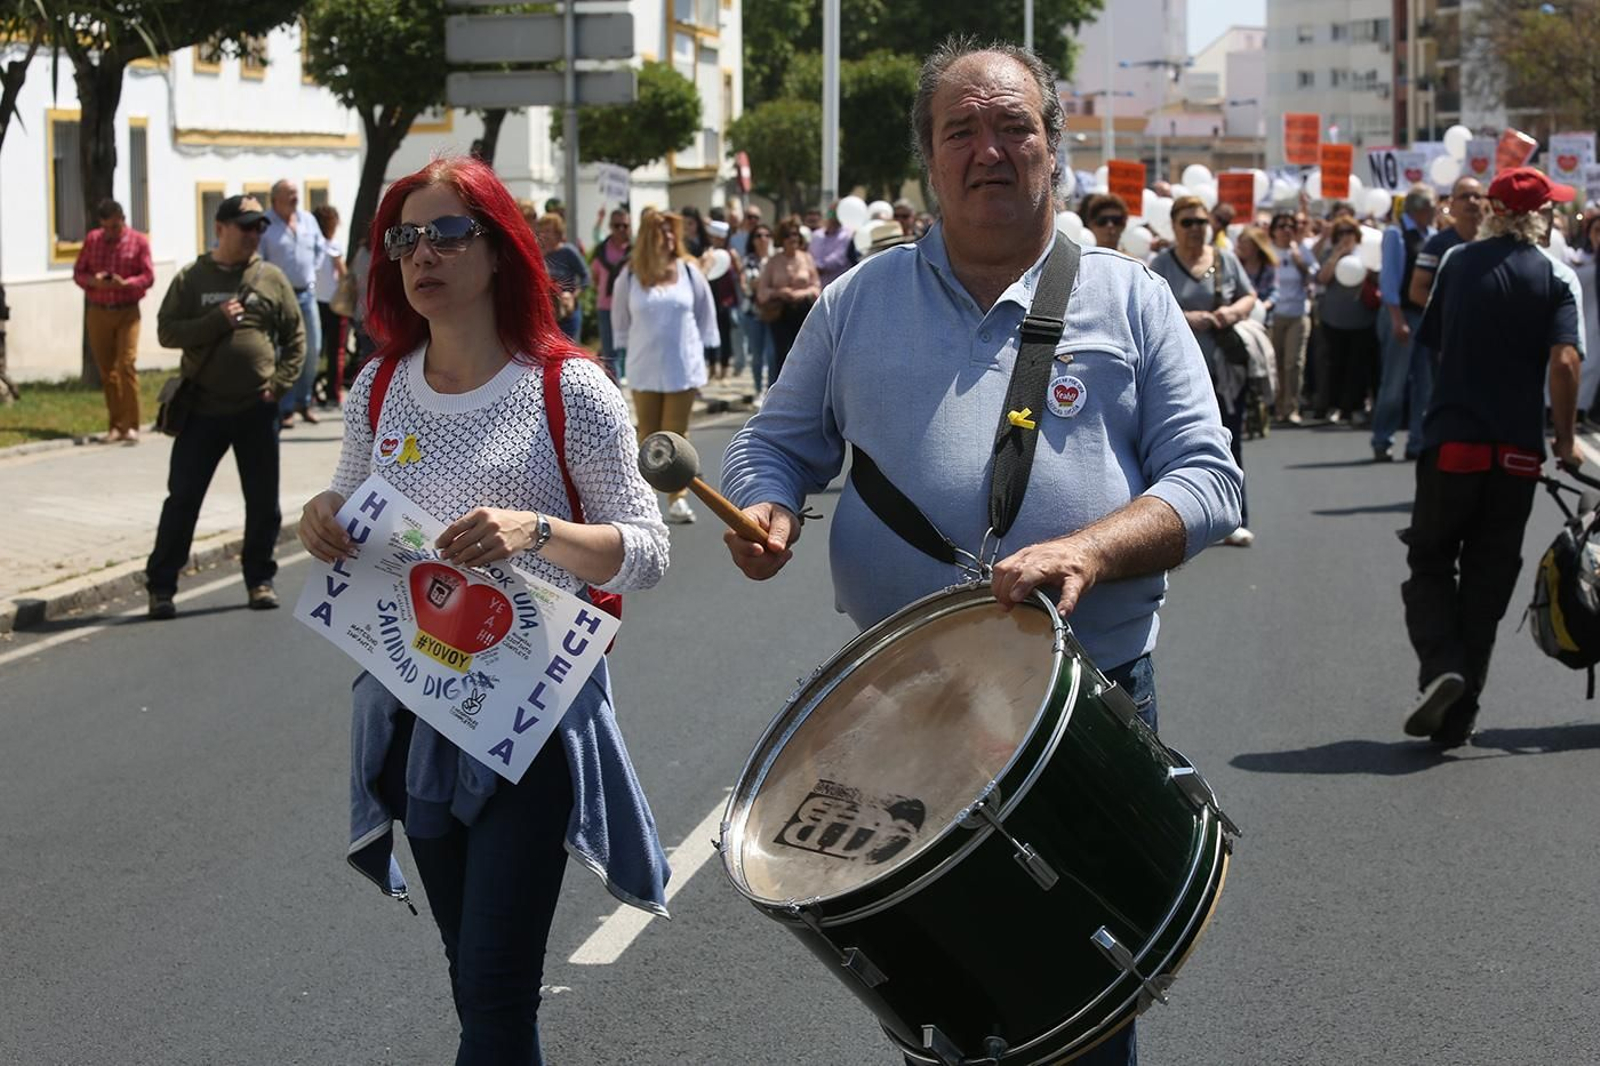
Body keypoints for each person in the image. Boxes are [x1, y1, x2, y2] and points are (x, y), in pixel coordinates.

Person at [720, 42, 1241, 1066]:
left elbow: (1209, 481)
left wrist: (1091, 547)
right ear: (929, 157)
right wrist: (764, 504)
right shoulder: (857, 301)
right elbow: (773, 442)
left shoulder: (1131, 299)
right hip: (903, 709)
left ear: (1053, 148)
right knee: (947, 1006)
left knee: (1083, 1002)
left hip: (1082, 703)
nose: (989, 150)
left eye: (1013, 127)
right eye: (961, 129)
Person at [297, 156, 670, 1066]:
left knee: (497, 996)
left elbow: (649, 549)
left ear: (501, 250)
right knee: (476, 989)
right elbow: (347, 507)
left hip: (529, 727)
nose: (423, 254)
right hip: (411, 720)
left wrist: (534, 530)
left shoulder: (567, 387)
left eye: (449, 233)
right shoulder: (378, 387)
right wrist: (319, 519)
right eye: (405, 237)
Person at [1400, 167, 1582, 747]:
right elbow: (1565, 362)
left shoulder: (1457, 263)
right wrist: (1564, 438)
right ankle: (1459, 712)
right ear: (1536, 216)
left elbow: (1437, 344)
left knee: (1430, 560)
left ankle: (1442, 668)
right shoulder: (1557, 273)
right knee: (1488, 578)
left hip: (1453, 441)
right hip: (1518, 453)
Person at [145, 194, 304, 618]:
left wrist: (281, 384)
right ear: (220, 228)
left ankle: (260, 580)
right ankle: (161, 586)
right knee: (183, 499)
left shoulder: (270, 278)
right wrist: (215, 321)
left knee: (263, 502)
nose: (254, 235)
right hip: (202, 409)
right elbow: (166, 332)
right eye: (245, 226)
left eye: (259, 228)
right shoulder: (191, 278)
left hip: (256, 409)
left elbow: (296, 337)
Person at [1151, 195, 1258, 547]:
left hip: (1223, 366)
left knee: (1230, 440)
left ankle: (1234, 516)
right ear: (1174, 227)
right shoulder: (1162, 263)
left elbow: (1249, 295)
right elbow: (1149, 308)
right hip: (1178, 370)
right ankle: (1188, 520)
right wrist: (1185, 318)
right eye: (1188, 223)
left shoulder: (1225, 260)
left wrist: (1233, 313)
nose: (1196, 229)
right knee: (1180, 443)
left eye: (1201, 222)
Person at [612, 207, 720, 524]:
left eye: (673, 231)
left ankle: (678, 497)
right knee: (645, 435)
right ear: (649, 237)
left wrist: (705, 353)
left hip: (682, 365)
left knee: (676, 436)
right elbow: (619, 319)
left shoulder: (688, 272)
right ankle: (643, 501)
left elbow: (704, 312)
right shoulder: (630, 274)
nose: (670, 237)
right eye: (663, 231)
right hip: (644, 365)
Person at [72, 198, 155, 443]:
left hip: (127, 310)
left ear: (122, 220)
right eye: (106, 228)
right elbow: (78, 272)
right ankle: (116, 425)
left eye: (115, 227)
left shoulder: (138, 241)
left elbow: (149, 276)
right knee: (107, 371)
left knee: (126, 364)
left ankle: (132, 425)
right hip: (98, 310)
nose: (110, 233)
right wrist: (93, 281)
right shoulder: (93, 240)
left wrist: (126, 283)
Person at [1370, 184, 1437, 461]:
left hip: (1424, 316)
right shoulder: (1395, 234)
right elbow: (1389, 282)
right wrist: (1397, 319)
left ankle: (1418, 441)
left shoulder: (1431, 235)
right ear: (1421, 208)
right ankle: (1382, 439)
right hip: (1400, 314)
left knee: (1425, 382)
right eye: (1432, 206)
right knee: (1395, 382)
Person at [260, 179, 329, 427]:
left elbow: (321, 247)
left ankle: (305, 400)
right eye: (289, 194)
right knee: (284, 351)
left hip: (306, 293)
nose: (295, 197)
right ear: (275, 198)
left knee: (312, 349)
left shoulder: (307, 219)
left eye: (296, 193)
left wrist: (313, 271)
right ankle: (285, 406)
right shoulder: (265, 224)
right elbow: (260, 260)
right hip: (279, 298)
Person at [1312, 217, 1379, 424]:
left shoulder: (1367, 254)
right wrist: (1337, 255)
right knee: (1335, 364)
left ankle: (1355, 407)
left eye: (1349, 232)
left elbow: (1378, 279)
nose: (1345, 236)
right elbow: (1322, 278)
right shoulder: (1329, 254)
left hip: (1361, 318)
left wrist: (1367, 269)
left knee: (1357, 365)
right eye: (1341, 232)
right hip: (1334, 318)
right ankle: (1335, 406)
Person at [755, 215, 821, 380]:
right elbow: (762, 292)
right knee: (782, 354)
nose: (793, 238)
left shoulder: (806, 258)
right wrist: (779, 292)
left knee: (805, 354)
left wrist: (802, 293)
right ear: (781, 239)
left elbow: (816, 287)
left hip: (803, 311)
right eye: (788, 235)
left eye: (796, 234)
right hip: (780, 313)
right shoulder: (773, 261)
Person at [1268, 211, 1314, 424]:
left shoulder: (1302, 250)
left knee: (1293, 363)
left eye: (1291, 227)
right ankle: (1277, 406)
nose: (1287, 230)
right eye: (1282, 226)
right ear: (1274, 231)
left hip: (1297, 314)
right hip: (1274, 315)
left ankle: (1291, 407)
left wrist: (1299, 262)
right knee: (1275, 362)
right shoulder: (1268, 251)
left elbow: (1316, 276)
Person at [532, 211, 590, 342]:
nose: (544, 235)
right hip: (546, 314)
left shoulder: (568, 252)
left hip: (568, 313)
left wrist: (573, 296)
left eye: (548, 231)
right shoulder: (537, 254)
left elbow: (585, 277)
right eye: (541, 231)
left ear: (558, 233)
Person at [590, 207, 632, 382]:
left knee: (631, 348)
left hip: (631, 307)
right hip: (606, 306)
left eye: (625, 225)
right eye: (617, 226)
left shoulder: (635, 251)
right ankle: (615, 389)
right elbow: (595, 277)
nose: (621, 229)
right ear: (610, 227)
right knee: (609, 352)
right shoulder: (602, 250)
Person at [312, 204, 347, 404]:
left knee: (315, 349)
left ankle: (309, 392)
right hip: (335, 303)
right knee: (336, 351)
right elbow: (342, 275)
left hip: (316, 302)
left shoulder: (313, 246)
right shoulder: (333, 246)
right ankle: (333, 392)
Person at [739, 221, 776, 407]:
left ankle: (771, 391)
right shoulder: (748, 260)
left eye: (766, 235)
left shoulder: (776, 258)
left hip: (774, 314)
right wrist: (768, 283)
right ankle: (758, 390)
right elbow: (747, 286)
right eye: (758, 236)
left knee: (772, 354)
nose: (763, 239)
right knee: (757, 355)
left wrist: (762, 284)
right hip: (752, 313)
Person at [704, 218, 740, 381]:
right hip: (710, 297)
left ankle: (724, 369)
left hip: (725, 299)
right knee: (710, 331)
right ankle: (711, 367)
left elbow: (739, 273)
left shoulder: (731, 253)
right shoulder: (708, 253)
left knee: (725, 335)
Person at [809, 201, 858, 288]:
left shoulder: (848, 235)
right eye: (831, 213)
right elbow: (810, 256)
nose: (832, 217)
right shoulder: (817, 235)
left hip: (840, 287)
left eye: (836, 213)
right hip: (818, 288)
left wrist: (818, 268)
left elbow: (837, 260)